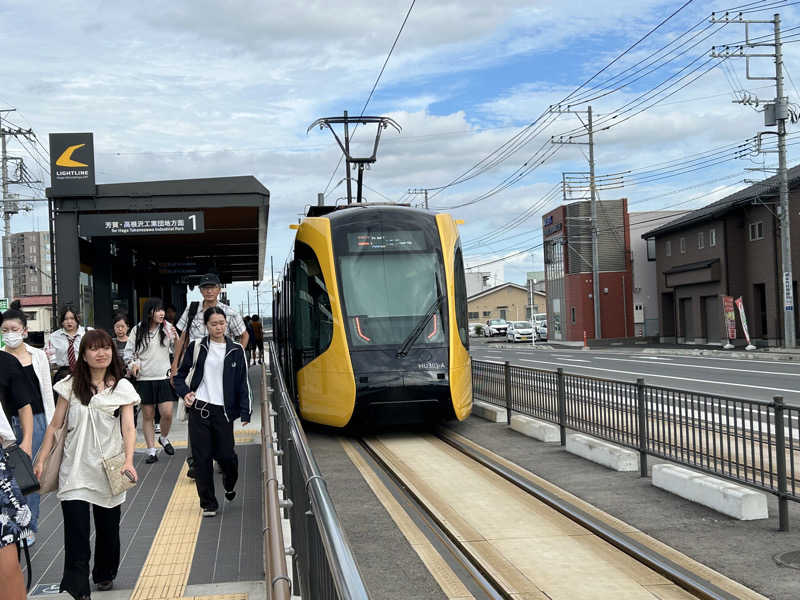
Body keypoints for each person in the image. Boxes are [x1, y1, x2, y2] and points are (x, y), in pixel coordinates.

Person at [34, 329, 139, 600]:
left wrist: (129, 460)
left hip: (108, 470)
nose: (101, 353)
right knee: (76, 533)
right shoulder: (70, 385)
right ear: (83, 354)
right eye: (94, 348)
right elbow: (55, 426)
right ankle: (77, 588)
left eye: (106, 348)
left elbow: (128, 428)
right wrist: (42, 459)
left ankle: (104, 573)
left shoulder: (122, 388)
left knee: (108, 530)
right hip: (75, 469)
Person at [174, 306, 251, 517]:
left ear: (226, 323)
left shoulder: (236, 350)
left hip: (223, 413)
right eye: (213, 324)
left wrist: (245, 411)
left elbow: (242, 383)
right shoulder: (196, 347)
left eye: (221, 323)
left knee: (226, 456)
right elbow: (179, 377)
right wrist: (186, 393)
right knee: (202, 458)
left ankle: (229, 481)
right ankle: (208, 503)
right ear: (206, 326)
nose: (218, 327)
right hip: (199, 410)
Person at [171, 274, 248, 478]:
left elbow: (244, 334)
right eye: (205, 287)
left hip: (219, 371)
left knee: (222, 418)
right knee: (194, 416)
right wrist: (175, 365)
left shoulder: (229, 312)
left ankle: (222, 457)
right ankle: (195, 461)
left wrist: (235, 359)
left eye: (213, 287)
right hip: (195, 370)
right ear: (200, 289)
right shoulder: (192, 309)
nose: (209, 291)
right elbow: (182, 337)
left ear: (219, 288)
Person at [1, 301, 56, 544]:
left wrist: (53, 426)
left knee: (30, 475)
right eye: (4, 330)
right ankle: (12, 523)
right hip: (7, 422)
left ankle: (29, 526)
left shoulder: (38, 355)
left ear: (24, 330)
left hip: (37, 420)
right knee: (9, 477)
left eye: (13, 329)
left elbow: (46, 391)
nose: (9, 334)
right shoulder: (1, 358)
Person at [124, 298, 176, 464]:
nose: (162, 313)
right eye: (158, 310)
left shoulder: (168, 328)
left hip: (164, 377)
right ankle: (151, 451)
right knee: (148, 415)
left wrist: (176, 337)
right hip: (145, 378)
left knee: (167, 413)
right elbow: (128, 353)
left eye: (163, 310)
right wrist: (133, 365)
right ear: (149, 312)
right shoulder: (137, 330)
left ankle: (164, 438)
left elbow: (177, 349)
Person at [47, 305, 90, 383]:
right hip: (63, 374)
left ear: (78, 318)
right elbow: (51, 359)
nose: (69, 322)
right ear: (62, 321)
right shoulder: (53, 337)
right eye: (66, 319)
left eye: (72, 318)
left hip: (85, 372)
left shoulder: (88, 333)